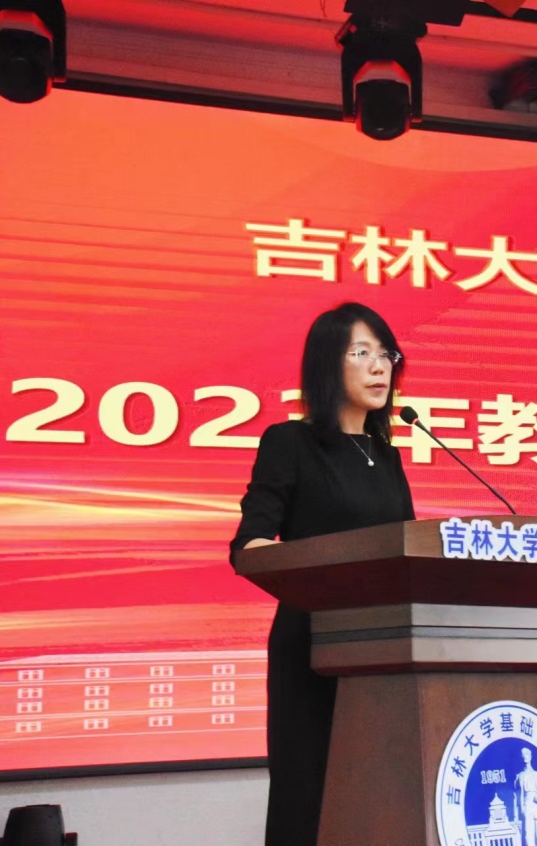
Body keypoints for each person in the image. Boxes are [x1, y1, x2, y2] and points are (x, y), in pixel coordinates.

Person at [230, 302, 415, 846]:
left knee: (381, 799)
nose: (379, 366)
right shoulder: (290, 443)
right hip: (314, 643)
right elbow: (250, 544)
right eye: (361, 353)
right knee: (308, 795)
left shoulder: (387, 456)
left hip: (384, 650)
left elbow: (407, 551)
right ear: (327, 364)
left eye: (386, 354)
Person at [515, 747, 537, 846]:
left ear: (530, 756)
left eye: (526, 754)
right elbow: (516, 796)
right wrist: (517, 814)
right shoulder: (520, 776)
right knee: (528, 835)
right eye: (522, 754)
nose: (524, 756)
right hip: (527, 805)